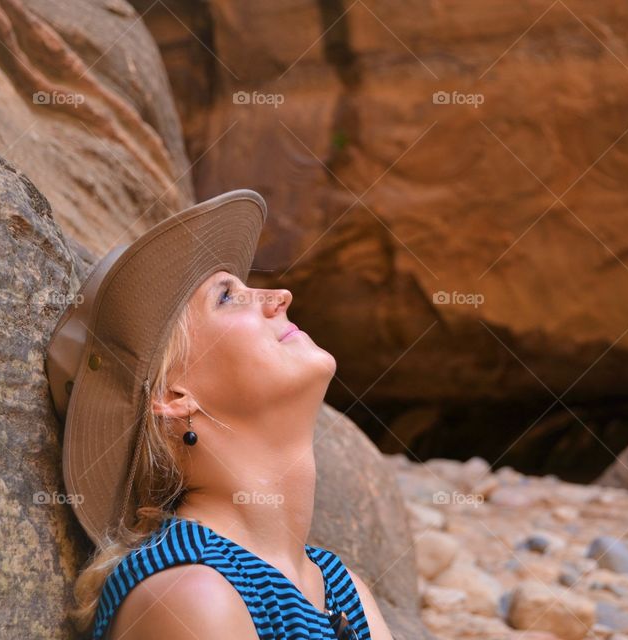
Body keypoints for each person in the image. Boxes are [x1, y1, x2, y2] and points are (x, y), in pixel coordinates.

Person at [44, 190, 393, 639]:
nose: (282, 296)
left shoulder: (343, 589)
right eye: (227, 297)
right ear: (173, 396)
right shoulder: (189, 597)